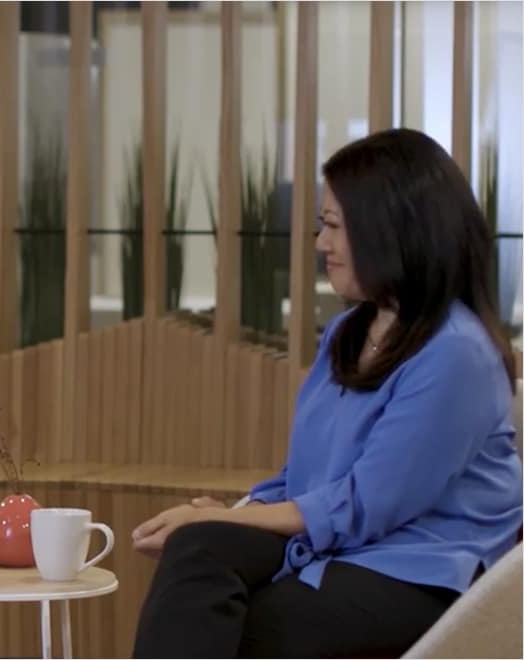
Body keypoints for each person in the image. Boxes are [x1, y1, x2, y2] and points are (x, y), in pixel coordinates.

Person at [129, 128, 522, 658]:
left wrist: (232, 517)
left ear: (389, 230)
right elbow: (306, 476)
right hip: (336, 542)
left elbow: (367, 504)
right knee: (198, 548)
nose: (321, 245)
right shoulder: (347, 333)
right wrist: (236, 509)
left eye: (334, 226)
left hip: (420, 567)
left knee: (253, 627)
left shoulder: (456, 353)